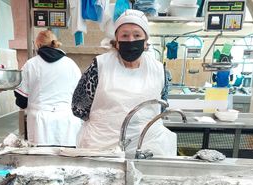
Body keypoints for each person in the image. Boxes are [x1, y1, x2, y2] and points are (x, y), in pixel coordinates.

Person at [72, 9, 177, 156]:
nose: (131, 40)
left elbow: (161, 107)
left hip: (147, 148)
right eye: (125, 35)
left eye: (137, 35)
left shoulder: (160, 70)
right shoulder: (99, 66)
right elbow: (78, 107)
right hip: (102, 148)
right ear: (117, 42)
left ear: (146, 41)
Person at [14, 30, 82, 147]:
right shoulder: (71, 65)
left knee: (42, 161)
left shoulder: (30, 65)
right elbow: (80, 97)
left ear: (38, 45)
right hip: (67, 124)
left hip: (40, 126)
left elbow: (21, 100)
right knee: (67, 160)